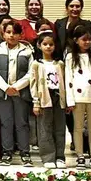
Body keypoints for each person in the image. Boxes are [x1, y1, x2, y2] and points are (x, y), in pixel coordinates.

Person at [0, 19, 32, 166]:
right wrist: (6, 87)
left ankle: (25, 153)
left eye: (15, 33)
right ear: (3, 34)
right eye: (8, 32)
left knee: (22, 123)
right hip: (4, 93)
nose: (11, 35)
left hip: (20, 93)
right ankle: (7, 152)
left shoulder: (27, 51)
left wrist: (17, 87)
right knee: (6, 123)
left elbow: (31, 72)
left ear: (20, 34)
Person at [28, 31, 67, 169]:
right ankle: (48, 157)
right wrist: (36, 102)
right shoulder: (36, 64)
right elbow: (33, 84)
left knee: (60, 128)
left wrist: (66, 100)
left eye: (51, 44)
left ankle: (60, 157)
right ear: (39, 46)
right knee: (45, 128)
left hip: (59, 97)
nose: (48, 47)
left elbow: (65, 82)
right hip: (44, 97)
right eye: (45, 44)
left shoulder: (60, 63)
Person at [64, 25, 91, 166]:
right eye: (84, 39)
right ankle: (79, 154)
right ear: (76, 40)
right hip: (77, 97)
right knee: (78, 128)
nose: (87, 42)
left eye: (89, 40)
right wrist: (70, 100)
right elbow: (68, 79)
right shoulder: (70, 57)